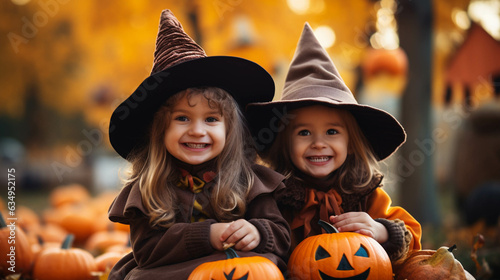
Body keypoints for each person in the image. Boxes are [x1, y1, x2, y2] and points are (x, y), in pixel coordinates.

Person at [106, 10, 290, 279]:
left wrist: (257, 231)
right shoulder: (150, 187)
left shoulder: (248, 180)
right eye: (182, 118)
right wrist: (206, 236)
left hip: (237, 266)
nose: (197, 130)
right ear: (159, 131)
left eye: (211, 119)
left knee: (266, 266)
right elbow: (146, 252)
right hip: (173, 272)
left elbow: (282, 234)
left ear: (230, 130)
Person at [246, 23, 422, 264]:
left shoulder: (364, 193)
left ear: (351, 142)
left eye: (331, 132)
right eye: (304, 133)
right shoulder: (274, 194)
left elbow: (411, 236)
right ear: (284, 144)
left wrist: (381, 231)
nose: (319, 143)